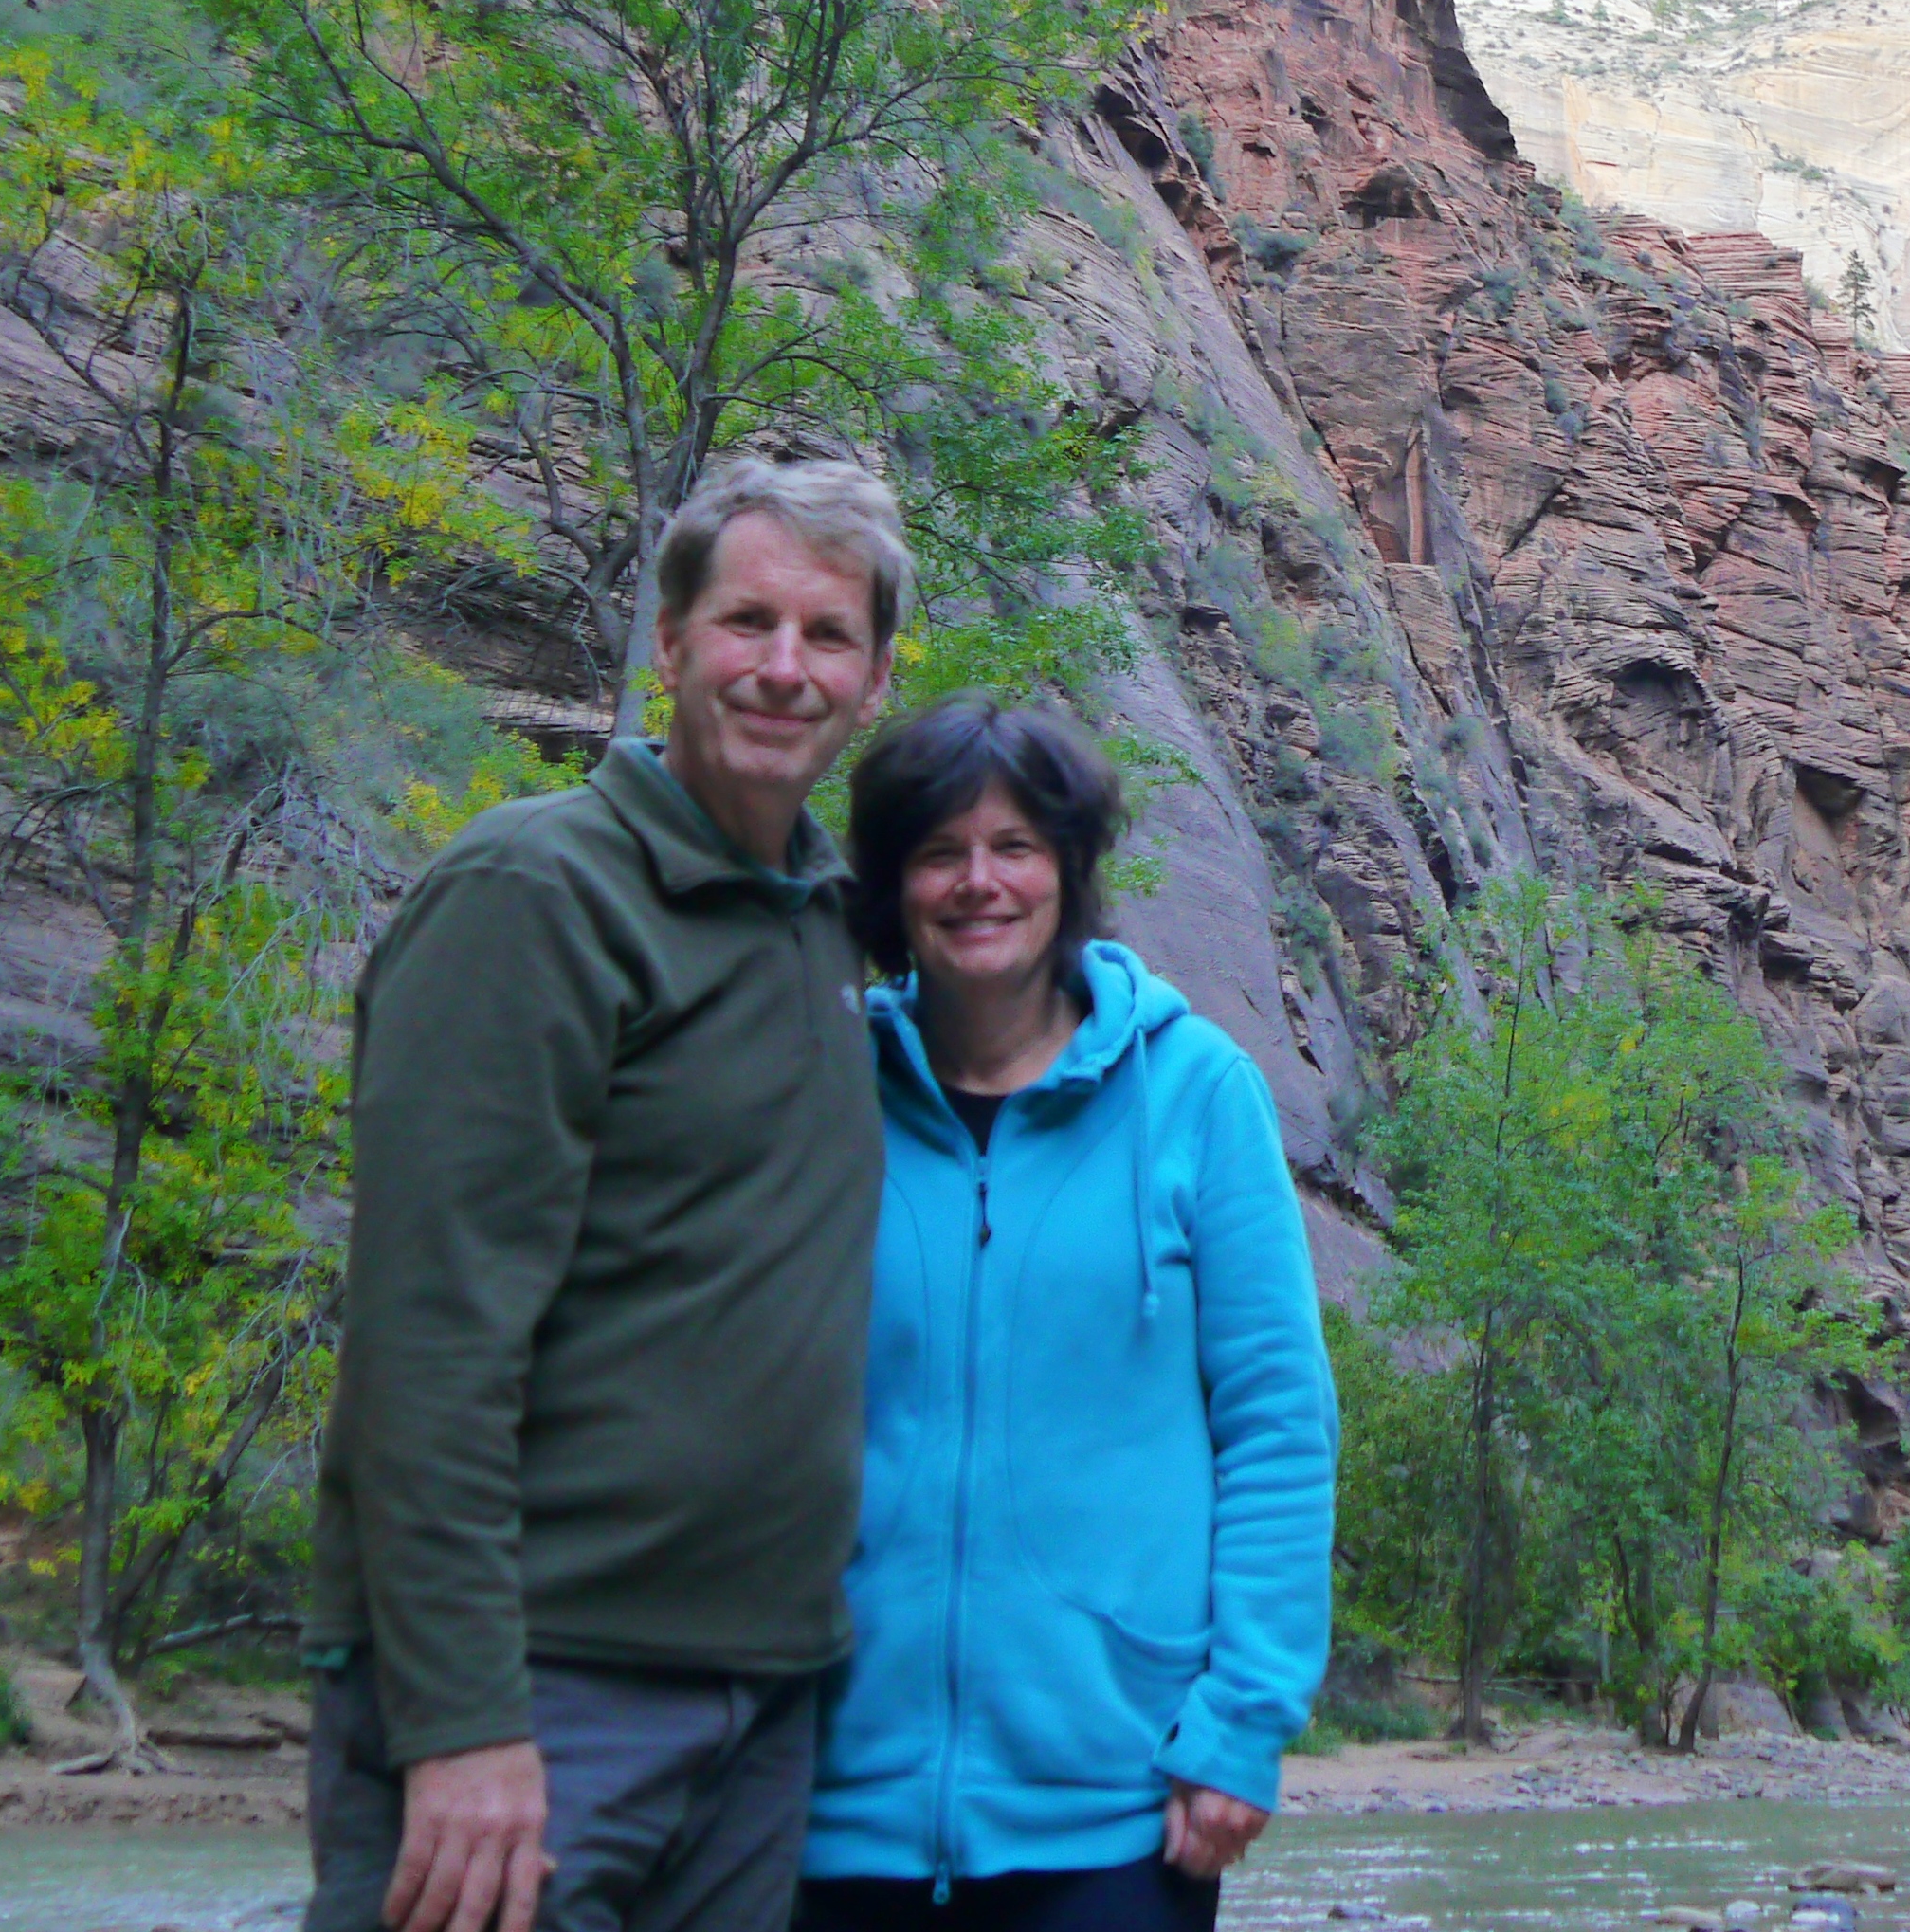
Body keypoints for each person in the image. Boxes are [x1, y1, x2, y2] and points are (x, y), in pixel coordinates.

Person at [303, 456, 912, 1932]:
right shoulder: (538, 894)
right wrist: (458, 1719)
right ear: (667, 643)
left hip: (761, 1702)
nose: (783, 668)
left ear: (877, 678)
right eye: (744, 622)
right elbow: (428, 1340)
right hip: (536, 1691)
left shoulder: (832, 935)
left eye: (827, 635)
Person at [799, 693, 1337, 1932]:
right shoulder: (822, 1090)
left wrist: (1240, 1722)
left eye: (1013, 847)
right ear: (891, 882)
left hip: (1120, 1809)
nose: (977, 881)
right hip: (832, 1800)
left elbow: (1274, 1426)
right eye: (938, 850)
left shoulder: (1197, 1091)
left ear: (1068, 868)